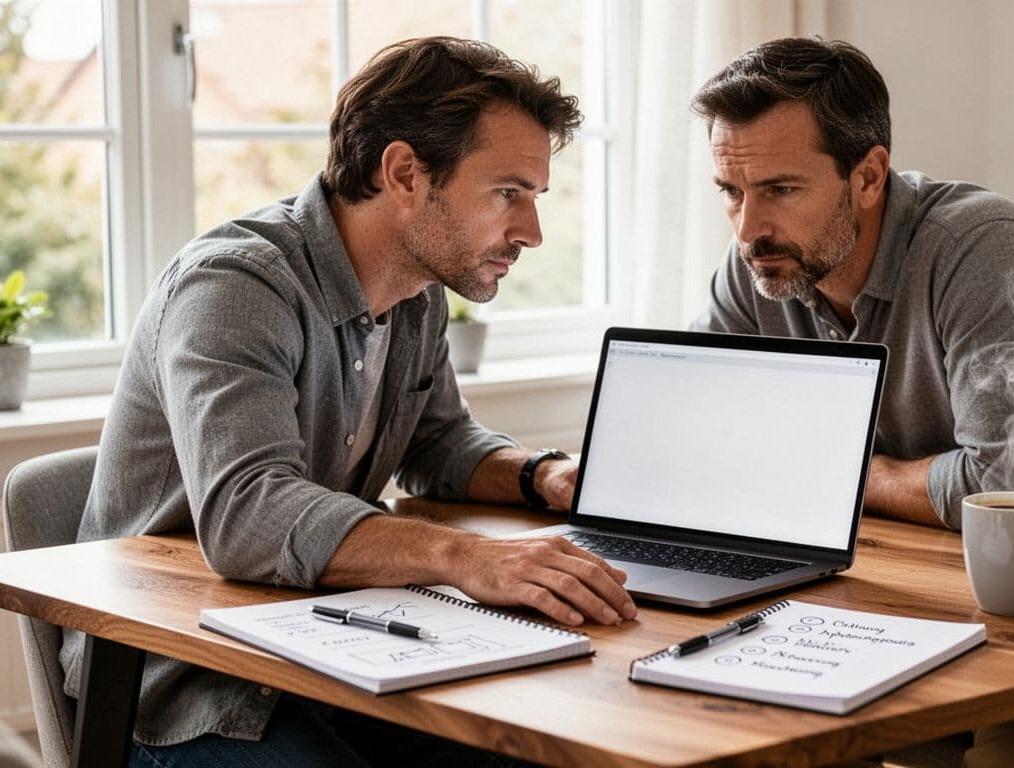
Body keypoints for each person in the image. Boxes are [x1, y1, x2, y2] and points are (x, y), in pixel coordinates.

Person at [58, 36, 635, 767]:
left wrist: (543, 475)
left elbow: (437, 443)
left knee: (548, 748)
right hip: (182, 684)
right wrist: (465, 558)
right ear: (404, 174)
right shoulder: (235, 285)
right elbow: (249, 514)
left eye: (534, 198)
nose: (531, 233)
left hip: (334, 649)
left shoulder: (416, 293)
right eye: (507, 193)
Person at [688, 37, 1014, 767]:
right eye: (731, 191)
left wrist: (845, 474)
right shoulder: (760, 267)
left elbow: (1008, 488)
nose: (747, 228)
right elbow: (702, 443)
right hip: (893, 589)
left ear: (868, 176)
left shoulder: (980, 247)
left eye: (781, 190)